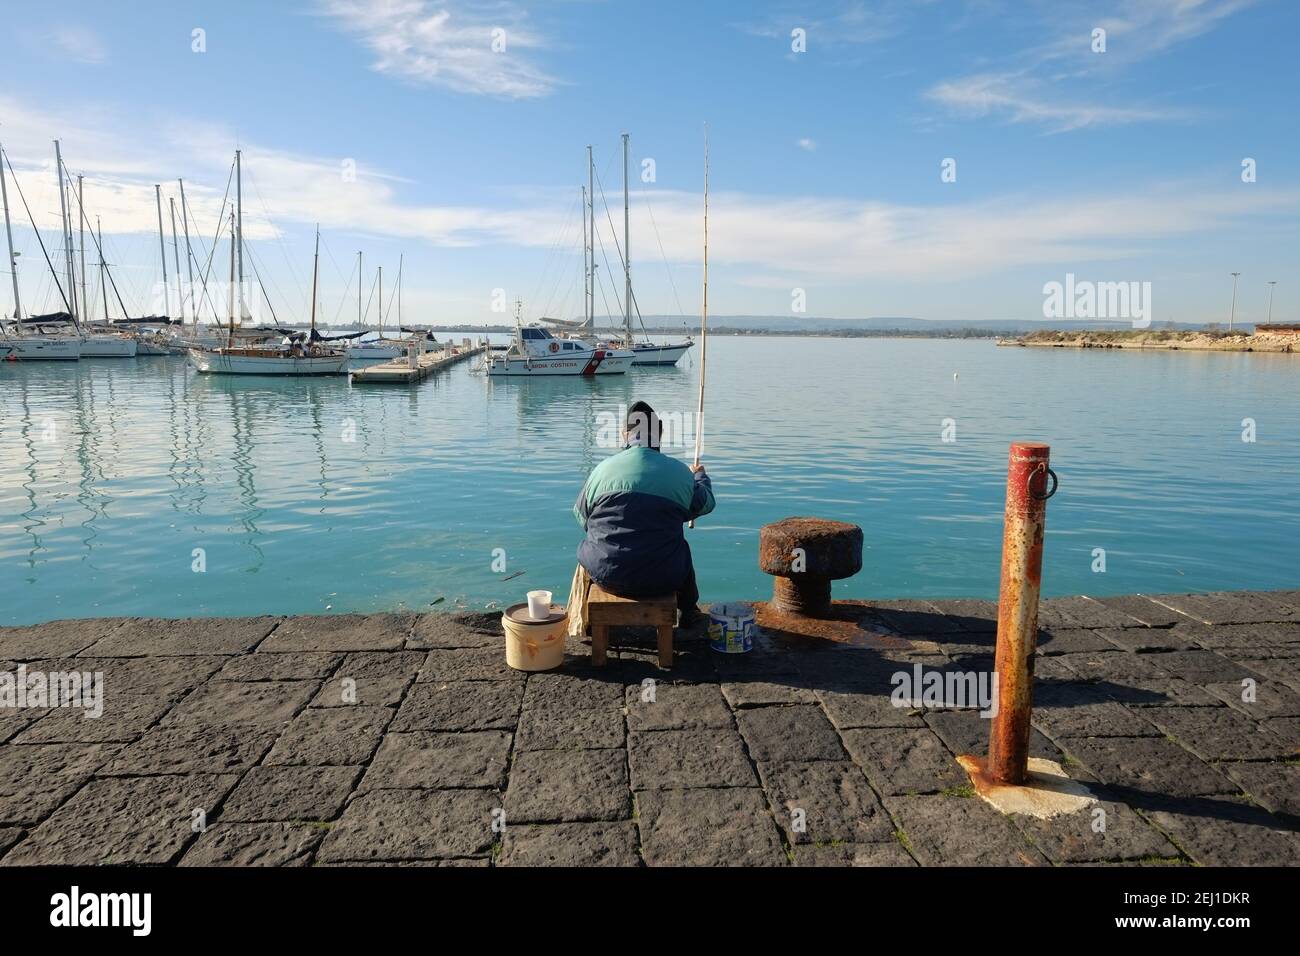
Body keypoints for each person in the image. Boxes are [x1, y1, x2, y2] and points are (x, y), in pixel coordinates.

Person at [573, 401, 714, 626]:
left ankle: (587, 623)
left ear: (624, 435)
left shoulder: (602, 470)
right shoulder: (678, 473)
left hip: (607, 576)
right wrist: (699, 478)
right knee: (681, 547)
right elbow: (705, 504)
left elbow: (582, 518)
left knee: (589, 545)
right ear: (660, 433)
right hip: (664, 578)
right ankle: (689, 611)